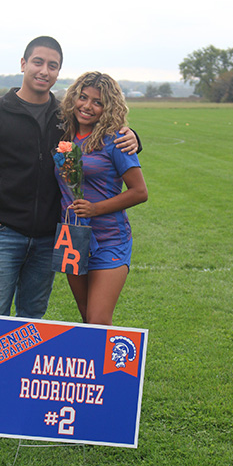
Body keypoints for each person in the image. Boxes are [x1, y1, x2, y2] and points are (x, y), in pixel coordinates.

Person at [0, 36, 140, 425]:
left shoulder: (62, 117)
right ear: (23, 63)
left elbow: (108, 134)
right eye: (37, 62)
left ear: (59, 73)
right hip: (2, 231)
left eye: (52, 65)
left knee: (33, 318)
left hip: (51, 237)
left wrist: (135, 137)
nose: (43, 70)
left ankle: (20, 387)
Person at [55, 72, 148, 326]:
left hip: (109, 240)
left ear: (108, 107)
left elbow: (140, 192)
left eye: (97, 102)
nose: (87, 106)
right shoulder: (64, 136)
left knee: (98, 320)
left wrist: (95, 209)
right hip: (72, 238)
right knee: (86, 316)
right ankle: (93, 367)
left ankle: (107, 366)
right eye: (82, 97)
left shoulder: (116, 140)